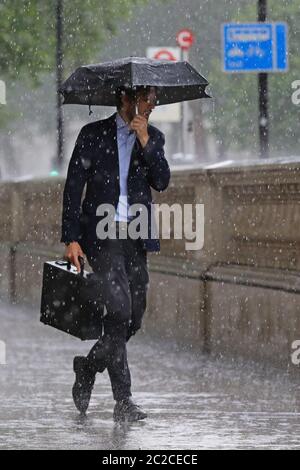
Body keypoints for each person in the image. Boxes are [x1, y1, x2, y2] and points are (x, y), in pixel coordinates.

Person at [61, 85, 170, 422]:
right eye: (146, 98)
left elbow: (162, 181)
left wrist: (145, 142)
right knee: (119, 310)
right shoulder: (93, 134)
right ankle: (124, 402)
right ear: (126, 100)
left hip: (136, 234)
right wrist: (71, 238)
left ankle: (88, 366)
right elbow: (73, 185)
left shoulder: (154, 137)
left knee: (133, 315)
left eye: (153, 100)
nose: (152, 105)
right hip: (101, 233)